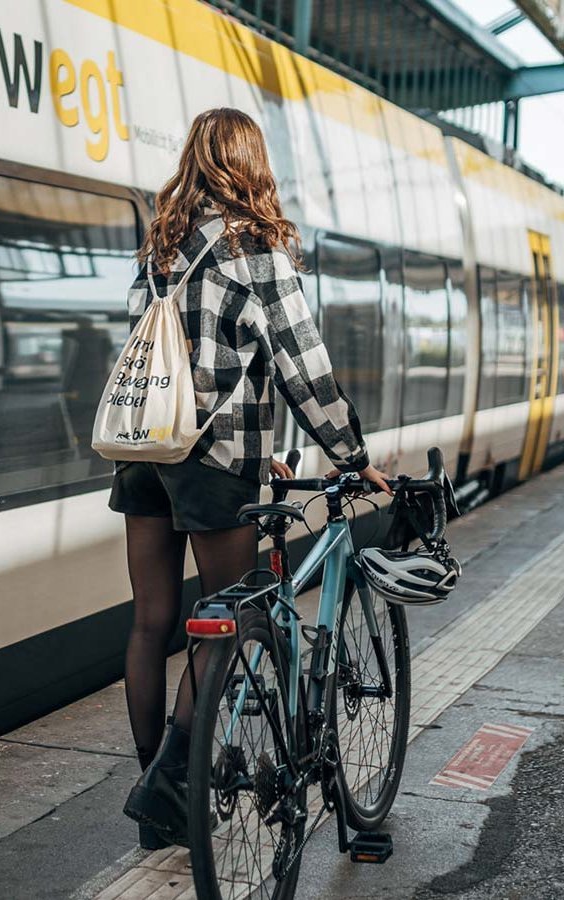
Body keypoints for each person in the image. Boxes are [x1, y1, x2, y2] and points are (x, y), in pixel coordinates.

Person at [109, 108, 392, 849]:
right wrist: (352, 456)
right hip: (213, 461)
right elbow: (304, 363)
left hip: (144, 451)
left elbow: (156, 357)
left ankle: (154, 798)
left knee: (149, 622)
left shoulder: (161, 243)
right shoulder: (254, 247)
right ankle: (172, 789)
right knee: (226, 622)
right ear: (250, 164)